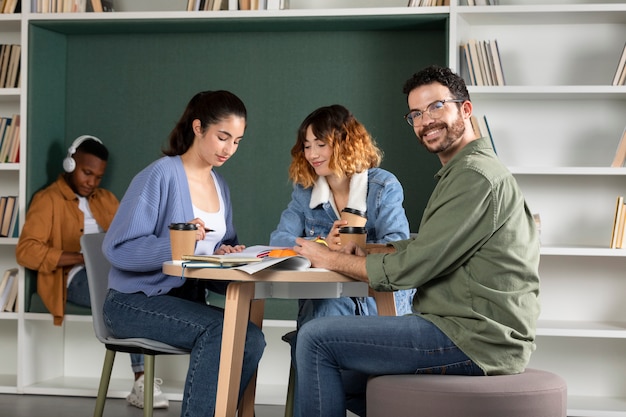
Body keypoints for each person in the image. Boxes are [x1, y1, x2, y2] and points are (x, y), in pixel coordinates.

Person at [291, 66, 541, 417]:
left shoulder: (474, 177)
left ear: (465, 110)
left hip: (472, 339)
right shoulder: (462, 171)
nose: (426, 121)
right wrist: (366, 250)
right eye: (417, 114)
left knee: (315, 338)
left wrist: (330, 259)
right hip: (467, 331)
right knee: (342, 379)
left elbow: (412, 267)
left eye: (437, 106)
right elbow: (424, 248)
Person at [101, 90, 266, 417]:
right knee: (222, 331)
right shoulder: (160, 175)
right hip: (132, 301)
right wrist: (178, 243)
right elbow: (117, 248)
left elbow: (214, 252)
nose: (229, 149)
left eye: (237, 141)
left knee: (251, 338)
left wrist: (228, 253)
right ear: (197, 127)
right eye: (223, 137)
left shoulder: (220, 185)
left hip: (184, 301)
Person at [15, 135, 167, 409]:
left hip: (111, 273)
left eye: (98, 176)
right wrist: (82, 257)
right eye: (87, 173)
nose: (92, 182)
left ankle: (144, 381)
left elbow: (130, 237)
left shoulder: (107, 199)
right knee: (128, 296)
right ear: (70, 164)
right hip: (72, 278)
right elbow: (26, 250)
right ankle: (142, 378)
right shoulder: (48, 199)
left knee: (147, 288)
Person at [270, 104, 414, 327]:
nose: (312, 155)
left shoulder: (383, 185)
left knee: (325, 322)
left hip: (377, 299)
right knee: (326, 310)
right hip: (327, 296)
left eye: (320, 144)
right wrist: (321, 244)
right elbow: (278, 240)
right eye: (307, 146)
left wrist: (352, 250)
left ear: (346, 144)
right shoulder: (305, 191)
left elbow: (397, 247)